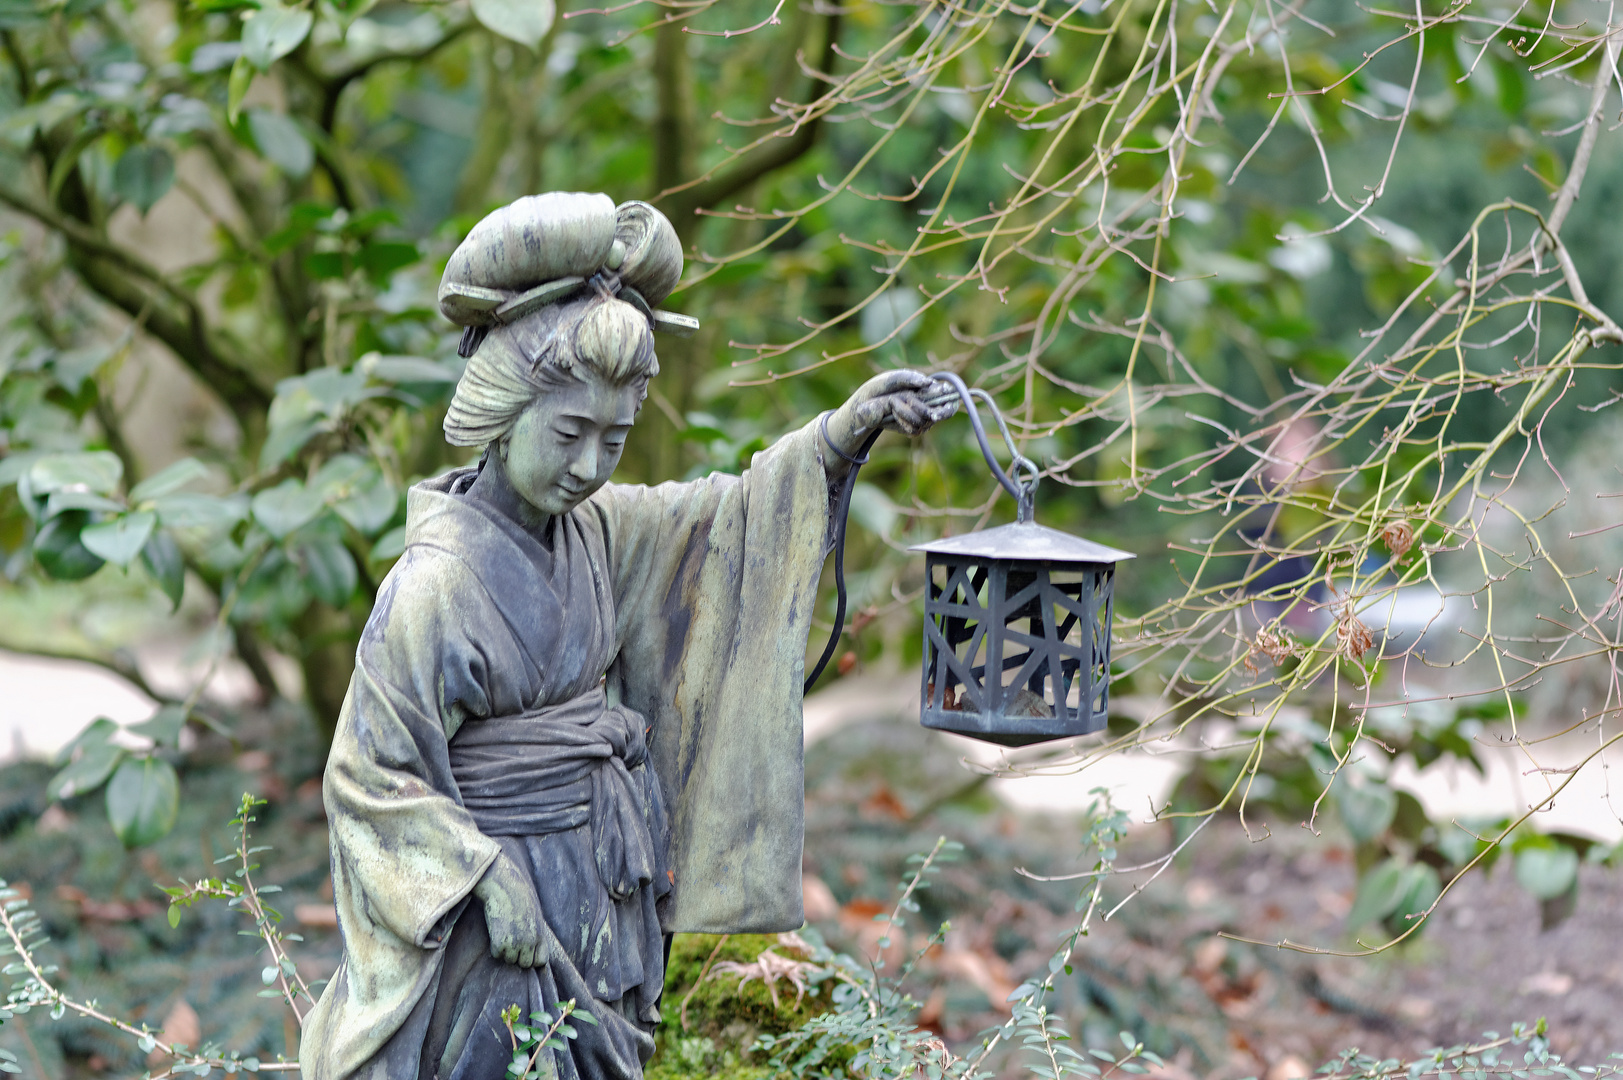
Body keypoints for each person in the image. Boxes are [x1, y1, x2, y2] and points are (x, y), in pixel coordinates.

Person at [298, 193, 955, 1080]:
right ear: (501, 411)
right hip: (493, 917)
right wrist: (485, 879)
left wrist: (840, 437)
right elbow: (367, 774)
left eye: (613, 439)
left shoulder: (595, 530)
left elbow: (720, 521)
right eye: (568, 432)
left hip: (600, 884)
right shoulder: (435, 584)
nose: (587, 466)